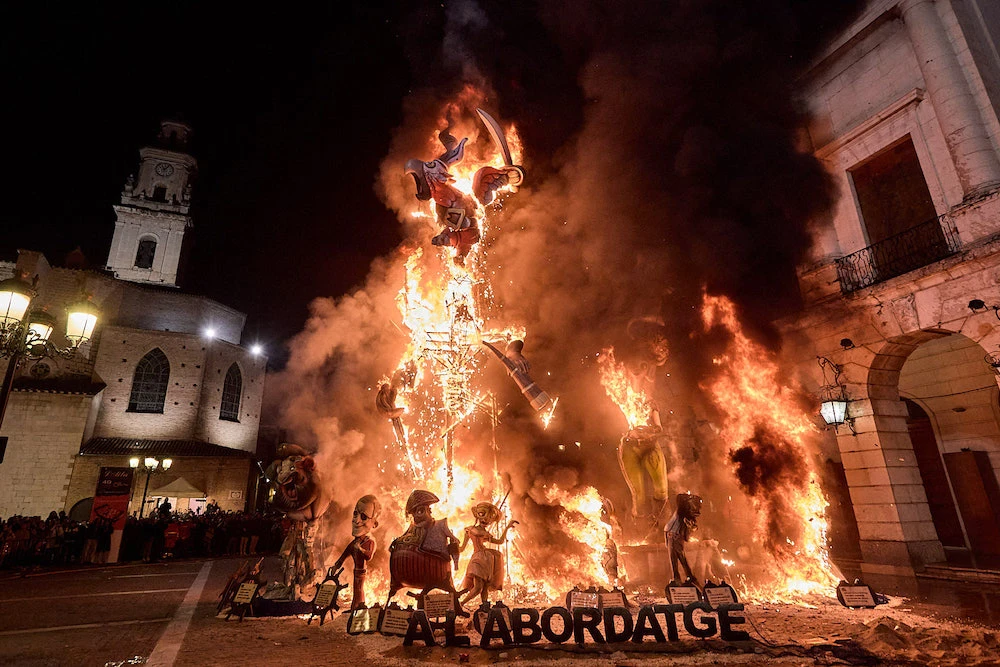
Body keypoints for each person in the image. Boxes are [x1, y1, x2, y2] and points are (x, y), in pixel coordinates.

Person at [458, 502, 517, 607]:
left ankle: (485, 606)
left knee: (485, 587)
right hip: (477, 559)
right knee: (477, 588)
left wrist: (507, 528)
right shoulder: (470, 530)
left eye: (489, 519)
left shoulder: (485, 534)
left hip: (487, 560)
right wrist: (452, 547)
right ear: (478, 516)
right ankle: (460, 604)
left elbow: (499, 541)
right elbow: (462, 548)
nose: (486, 521)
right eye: (483, 516)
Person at [333, 495, 381, 610]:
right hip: (356, 571)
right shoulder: (355, 543)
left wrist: (360, 549)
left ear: (374, 524)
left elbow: (368, 556)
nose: (357, 520)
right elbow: (345, 554)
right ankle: (355, 606)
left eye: (364, 517)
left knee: (359, 589)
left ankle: (358, 607)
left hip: (361, 572)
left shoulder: (369, 542)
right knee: (356, 589)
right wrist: (336, 566)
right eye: (355, 514)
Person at [664, 493, 702, 584]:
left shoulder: (684, 514)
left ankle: (682, 578)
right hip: (672, 534)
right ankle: (685, 577)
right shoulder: (681, 511)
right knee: (678, 558)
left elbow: (692, 526)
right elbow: (680, 498)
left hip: (674, 536)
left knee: (678, 558)